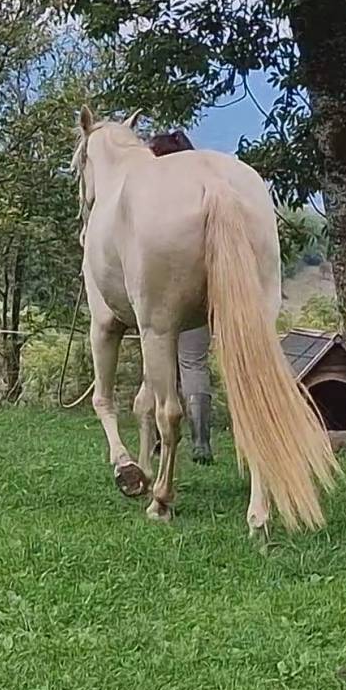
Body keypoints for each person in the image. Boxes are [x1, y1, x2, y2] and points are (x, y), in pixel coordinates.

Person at [147, 129, 214, 464]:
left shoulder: (157, 197)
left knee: (161, 364)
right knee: (194, 363)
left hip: (162, 294)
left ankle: (161, 440)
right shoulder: (200, 193)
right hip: (202, 291)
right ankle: (201, 443)